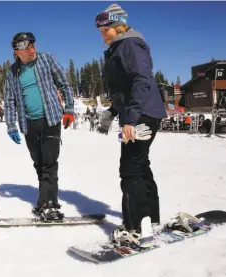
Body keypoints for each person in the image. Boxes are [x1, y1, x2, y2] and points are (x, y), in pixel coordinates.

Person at [95, 4, 167, 246]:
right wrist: (113, 112)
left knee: (130, 170)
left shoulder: (130, 45)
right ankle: (150, 221)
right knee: (141, 166)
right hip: (142, 113)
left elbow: (141, 80)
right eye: (101, 30)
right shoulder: (120, 47)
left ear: (119, 26)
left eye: (106, 29)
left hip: (142, 115)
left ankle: (136, 227)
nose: (102, 34)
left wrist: (131, 119)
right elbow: (125, 90)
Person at [3, 32, 75, 221]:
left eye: (33, 45)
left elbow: (64, 84)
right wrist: (11, 125)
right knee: (39, 163)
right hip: (29, 124)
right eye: (28, 48)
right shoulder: (12, 72)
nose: (33, 50)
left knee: (49, 162)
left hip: (50, 119)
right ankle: (44, 200)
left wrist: (69, 109)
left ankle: (49, 203)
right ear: (17, 51)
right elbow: (9, 100)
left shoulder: (46, 60)